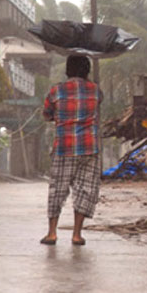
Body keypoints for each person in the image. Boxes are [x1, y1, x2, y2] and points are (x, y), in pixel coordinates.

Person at [40, 55, 103, 246]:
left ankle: (52, 233)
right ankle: (76, 234)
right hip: (88, 148)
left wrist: (58, 118)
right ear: (87, 70)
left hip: (64, 147)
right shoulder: (96, 91)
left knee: (57, 189)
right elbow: (96, 107)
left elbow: (47, 114)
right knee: (85, 190)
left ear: (68, 69)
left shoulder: (56, 91)